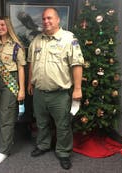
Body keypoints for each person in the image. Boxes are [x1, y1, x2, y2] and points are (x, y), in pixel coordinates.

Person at [27, 8, 84, 170]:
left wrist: (77, 89)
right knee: (41, 122)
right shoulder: (37, 40)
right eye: (44, 19)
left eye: (50, 18)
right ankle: (43, 145)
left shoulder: (68, 39)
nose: (46, 21)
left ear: (58, 20)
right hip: (39, 92)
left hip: (60, 94)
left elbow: (77, 64)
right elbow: (32, 62)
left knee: (63, 125)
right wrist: (30, 82)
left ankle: (64, 152)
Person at [0, 16, 26, 164]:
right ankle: (8, 140)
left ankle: (3, 150)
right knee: (1, 113)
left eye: (2, 25)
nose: (0, 27)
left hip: (10, 82)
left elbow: (21, 68)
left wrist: (21, 90)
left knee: (6, 115)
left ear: (8, 26)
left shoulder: (17, 46)